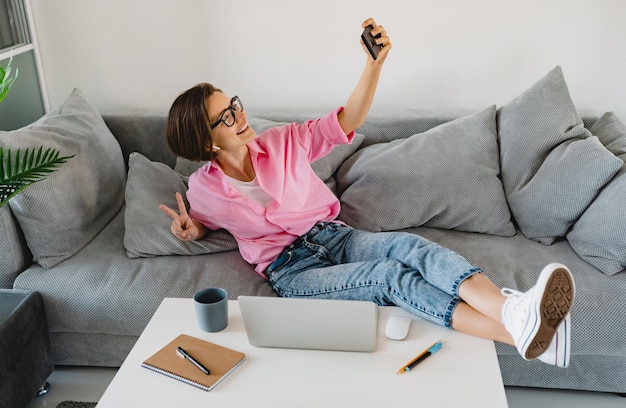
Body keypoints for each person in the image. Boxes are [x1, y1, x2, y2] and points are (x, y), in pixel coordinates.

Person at [160, 18, 575, 368]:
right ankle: (532, 338)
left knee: (412, 249)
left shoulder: (282, 142)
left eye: (234, 103)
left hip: (334, 236)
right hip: (293, 271)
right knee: (388, 278)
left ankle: (514, 314)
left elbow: (346, 119)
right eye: (225, 116)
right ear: (206, 140)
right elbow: (204, 221)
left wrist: (373, 64)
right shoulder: (204, 189)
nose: (240, 115)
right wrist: (191, 229)